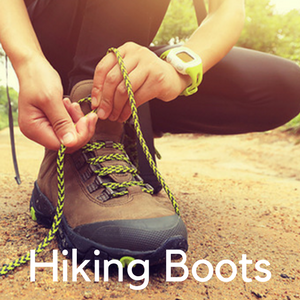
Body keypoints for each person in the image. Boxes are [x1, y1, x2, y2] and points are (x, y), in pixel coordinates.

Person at [0, 0, 299, 266]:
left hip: (120, 41)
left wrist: (177, 72)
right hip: (45, 38)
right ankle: (83, 141)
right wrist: (27, 62)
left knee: (285, 86)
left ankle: (118, 121)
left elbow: (227, 9)